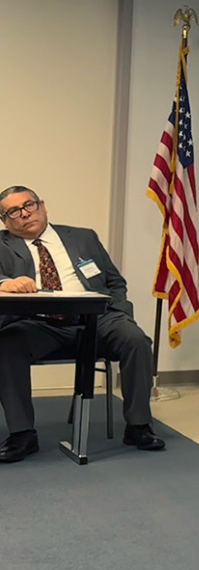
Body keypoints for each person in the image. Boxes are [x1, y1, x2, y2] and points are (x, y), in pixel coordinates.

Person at [0, 186, 165, 462]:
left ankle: (138, 426)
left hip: (98, 319)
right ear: (5, 221)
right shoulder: (2, 245)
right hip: (39, 324)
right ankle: (22, 434)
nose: (25, 213)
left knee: (135, 340)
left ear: (43, 205)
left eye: (29, 204)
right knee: (5, 346)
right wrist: (6, 284)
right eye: (14, 211)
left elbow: (114, 282)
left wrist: (120, 312)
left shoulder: (83, 237)